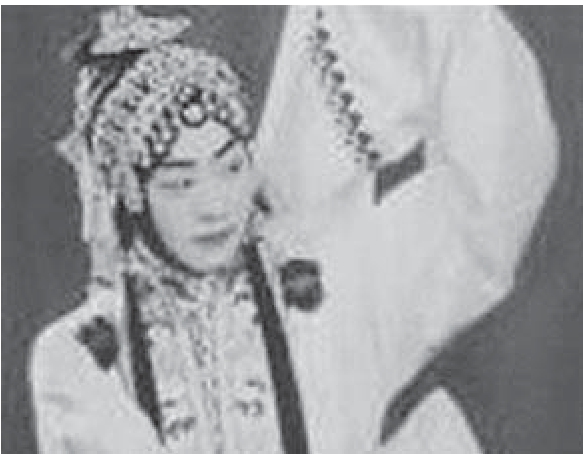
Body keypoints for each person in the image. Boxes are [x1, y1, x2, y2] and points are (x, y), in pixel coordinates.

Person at [29, 6, 557, 454]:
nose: (215, 206)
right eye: (181, 183)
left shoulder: (329, 284)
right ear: (131, 191)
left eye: (230, 166)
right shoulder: (81, 353)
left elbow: (492, 197)